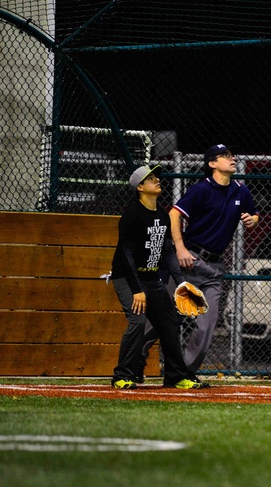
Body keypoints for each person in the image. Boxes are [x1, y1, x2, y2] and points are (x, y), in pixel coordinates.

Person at [110, 165, 209, 390]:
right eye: (151, 179)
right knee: (137, 322)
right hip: (127, 277)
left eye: (157, 177)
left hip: (151, 278)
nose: (157, 181)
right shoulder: (132, 215)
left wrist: (181, 281)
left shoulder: (162, 215)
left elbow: (166, 252)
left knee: (170, 323)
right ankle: (122, 376)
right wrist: (137, 289)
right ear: (141, 187)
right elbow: (126, 255)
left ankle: (175, 377)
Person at [167, 143, 259, 372]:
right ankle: (133, 362)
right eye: (225, 156)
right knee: (164, 318)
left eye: (232, 154)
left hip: (214, 266)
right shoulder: (202, 189)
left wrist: (253, 219)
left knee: (206, 325)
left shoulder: (240, 190)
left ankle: (183, 372)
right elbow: (174, 214)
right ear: (212, 164)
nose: (232, 158)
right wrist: (180, 249)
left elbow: (254, 213)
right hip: (190, 261)